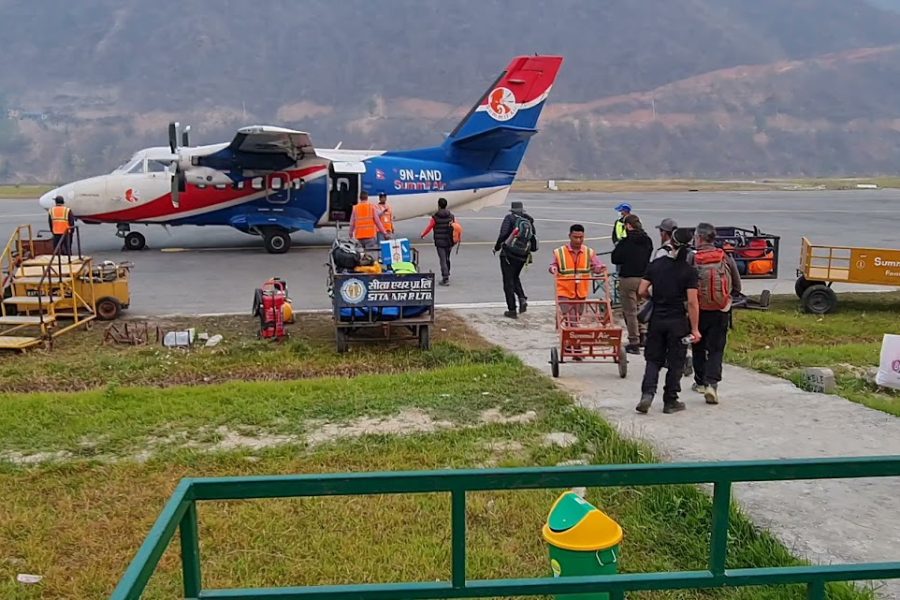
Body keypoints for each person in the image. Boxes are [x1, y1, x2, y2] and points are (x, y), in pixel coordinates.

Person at [636, 227, 701, 415]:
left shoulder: (656, 265)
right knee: (676, 362)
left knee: (653, 359)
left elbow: (641, 290)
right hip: (678, 322)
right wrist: (695, 329)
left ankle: (647, 395)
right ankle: (670, 400)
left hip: (657, 319)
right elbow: (692, 302)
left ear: (670, 243)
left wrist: (654, 299)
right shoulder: (689, 272)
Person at [688, 222, 742, 405]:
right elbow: (737, 284)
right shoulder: (724, 257)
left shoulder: (692, 258)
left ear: (700, 238)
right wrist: (727, 298)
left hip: (699, 309)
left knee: (698, 345)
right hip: (721, 309)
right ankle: (712, 384)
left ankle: (700, 382)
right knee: (716, 349)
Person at [611, 214, 653, 353]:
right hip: (644, 278)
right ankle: (644, 335)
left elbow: (615, 258)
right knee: (641, 307)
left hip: (628, 278)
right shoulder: (647, 241)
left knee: (630, 311)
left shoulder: (626, 242)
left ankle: (634, 341)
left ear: (629, 226)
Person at [550, 224, 606, 324]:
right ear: (569, 236)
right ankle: (572, 334)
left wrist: (600, 268)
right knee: (572, 319)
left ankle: (565, 326)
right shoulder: (560, 252)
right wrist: (553, 268)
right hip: (564, 291)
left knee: (577, 315)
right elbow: (553, 265)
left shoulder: (589, 252)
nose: (578, 240)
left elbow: (597, 265)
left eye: (581, 237)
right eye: (575, 237)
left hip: (581, 292)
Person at [493, 200, 537, 319]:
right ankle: (522, 298)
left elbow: (503, 234)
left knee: (508, 282)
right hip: (523, 256)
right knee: (515, 277)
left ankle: (512, 309)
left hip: (508, 254)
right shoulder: (528, 221)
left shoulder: (509, 219)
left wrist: (497, 247)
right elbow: (533, 238)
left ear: (512, 210)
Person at [420, 197, 455, 285]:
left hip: (439, 241)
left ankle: (445, 277)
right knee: (447, 258)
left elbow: (430, 227)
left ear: (439, 206)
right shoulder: (451, 216)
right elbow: (455, 226)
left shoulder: (435, 217)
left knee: (442, 259)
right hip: (449, 241)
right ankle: (447, 273)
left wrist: (423, 234)